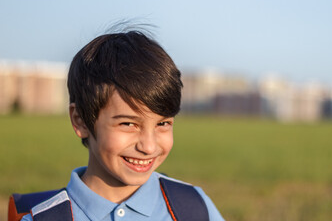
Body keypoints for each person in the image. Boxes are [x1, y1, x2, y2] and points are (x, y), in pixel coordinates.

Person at [17, 29, 224, 220]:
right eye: (128, 124)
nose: (149, 147)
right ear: (80, 120)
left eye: (163, 123)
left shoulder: (194, 207)